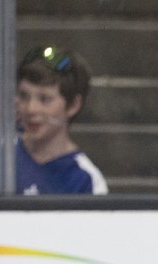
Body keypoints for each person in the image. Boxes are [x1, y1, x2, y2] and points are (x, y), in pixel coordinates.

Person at [14, 45, 107, 195]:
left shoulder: (86, 180)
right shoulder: (3, 151)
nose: (31, 109)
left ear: (73, 105)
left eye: (45, 99)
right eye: (24, 96)